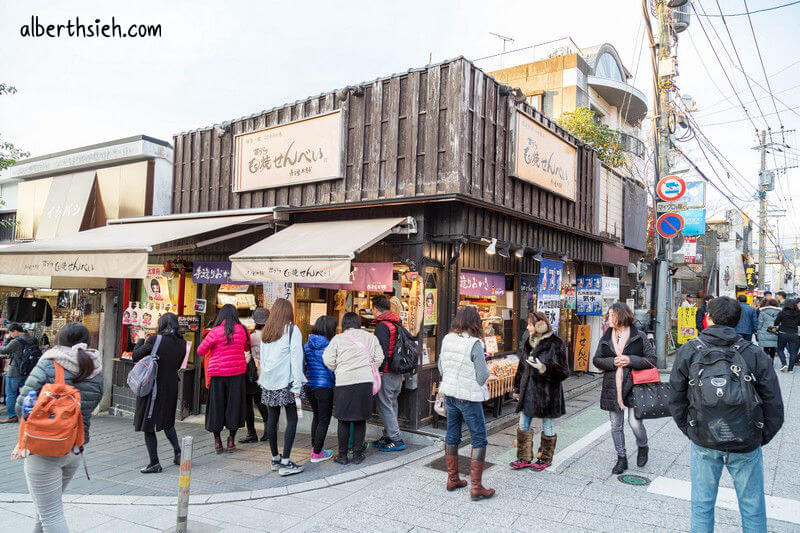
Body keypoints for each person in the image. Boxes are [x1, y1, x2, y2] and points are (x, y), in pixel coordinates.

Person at [669, 296, 783, 533]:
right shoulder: (754, 353)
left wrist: (691, 430)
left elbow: (676, 399)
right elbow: (774, 405)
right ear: (737, 320)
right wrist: (758, 437)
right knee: (752, 506)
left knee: (702, 504)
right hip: (746, 441)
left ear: (708, 317)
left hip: (703, 437)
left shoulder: (690, 350)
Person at [14, 323, 103, 533]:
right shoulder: (95, 367)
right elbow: (92, 403)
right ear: (87, 341)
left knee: (51, 515)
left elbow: (21, 406)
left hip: (46, 447)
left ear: (60, 340)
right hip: (75, 448)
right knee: (44, 510)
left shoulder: (50, 362)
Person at [592, 302, 656, 474]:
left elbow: (652, 360)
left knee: (634, 422)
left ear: (621, 316)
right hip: (613, 386)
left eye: (611, 315)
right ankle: (622, 458)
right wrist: (612, 362)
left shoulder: (639, 335)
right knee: (616, 425)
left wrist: (630, 360)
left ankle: (643, 445)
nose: (608, 319)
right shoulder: (606, 336)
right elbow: (596, 360)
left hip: (635, 385)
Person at [438, 306, 494, 501]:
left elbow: (441, 367)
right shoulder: (474, 343)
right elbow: (483, 374)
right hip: (469, 397)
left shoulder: (447, 338)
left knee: (452, 434)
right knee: (479, 438)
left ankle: (452, 479)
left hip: (450, 394)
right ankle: (476, 487)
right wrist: (475, 381)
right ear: (475, 322)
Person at [323, 312, 384, 465]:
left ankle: (342, 456)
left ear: (344, 324)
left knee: (343, 420)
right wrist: (368, 369)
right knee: (360, 420)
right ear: (358, 322)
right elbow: (379, 358)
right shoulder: (370, 337)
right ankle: (357, 455)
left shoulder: (338, 339)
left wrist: (339, 368)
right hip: (364, 382)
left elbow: (327, 359)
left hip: (344, 382)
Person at [510, 312, 569, 471]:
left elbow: (564, 372)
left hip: (548, 394)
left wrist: (544, 368)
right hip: (528, 391)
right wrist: (517, 388)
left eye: (530, 324)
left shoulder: (556, 343)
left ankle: (545, 458)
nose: (527, 327)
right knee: (523, 424)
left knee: (548, 425)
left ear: (539, 325)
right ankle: (524, 458)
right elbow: (522, 367)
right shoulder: (528, 342)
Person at [133, 313, 184, 473]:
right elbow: (177, 364)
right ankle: (178, 453)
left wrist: (140, 339)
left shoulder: (155, 339)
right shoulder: (182, 343)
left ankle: (154, 463)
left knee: (148, 425)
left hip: (154, 387)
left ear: (161, 324)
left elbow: (136, 355)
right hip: (171, 386)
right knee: (168, 422)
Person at [260, 298, 306, 476]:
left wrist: (264, 379)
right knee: (292, 419)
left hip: (268, 382)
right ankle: (286, 462)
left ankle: (275, 459)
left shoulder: (267, 331)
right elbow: (296, 359)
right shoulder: (292, 330)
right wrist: (297, 384)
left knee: (272, 418)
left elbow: (263, 359)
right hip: (287, 381)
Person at [197, 303, 248, 454]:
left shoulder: (215, 331)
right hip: (237, 374)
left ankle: (217, 441)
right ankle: (231, 440)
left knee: (216, 407)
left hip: (218, 375)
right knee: (234, 406)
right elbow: (246, 347)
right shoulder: (242, 330)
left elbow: (200, 350)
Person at [371, 295, 406, 452]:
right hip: (398, 372)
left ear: (375, 309)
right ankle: (388, 436)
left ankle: (396, 439)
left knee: (385, 405)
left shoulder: (382, 326)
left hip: (387, 372)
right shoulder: (396, 322)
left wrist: (378, 371)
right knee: (391, 404)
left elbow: (381, 352)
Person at [304, 315, 337, 462]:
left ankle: (315, 448)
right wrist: (336, 381)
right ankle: (317, 453)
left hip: (309, 384)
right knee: (324, 419)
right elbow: (331, 369)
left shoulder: (307, 344)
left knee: (317, 416)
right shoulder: (330, 346)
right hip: (324, 386)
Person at [240, 307, 270, 443]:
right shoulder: (271, 336)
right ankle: (268, 430)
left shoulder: (251, 336)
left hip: (251, 372)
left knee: (248, 403)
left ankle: (251, 433)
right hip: (265, 373)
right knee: (261, 402)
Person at [0, 324, 37, 423]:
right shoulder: (33, 339)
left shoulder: (16, 341)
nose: (10, 334)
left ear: (15, 331)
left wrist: (7, 339)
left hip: (15, 371)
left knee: (11, 394)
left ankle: (12, 416)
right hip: (29, 371)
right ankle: (26, 414)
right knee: (25, 394)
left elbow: (3, 350)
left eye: (10, 332)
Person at [773, 298, 800, 373]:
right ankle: (790, 369)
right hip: (794, 334)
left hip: (783, 333)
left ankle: (784, 363)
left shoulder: (782, 312)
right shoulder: (798, 313)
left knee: (780, 349)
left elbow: (776, 323)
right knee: (793, 352)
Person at [756, 298, 781, 362]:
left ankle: (767, 360)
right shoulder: (779, 312)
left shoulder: (763, 312)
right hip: (775, 331)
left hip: (764, 331)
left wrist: (758, 331)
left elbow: (760, 323)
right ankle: (772, 360)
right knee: (773, 347)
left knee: (765, 347)